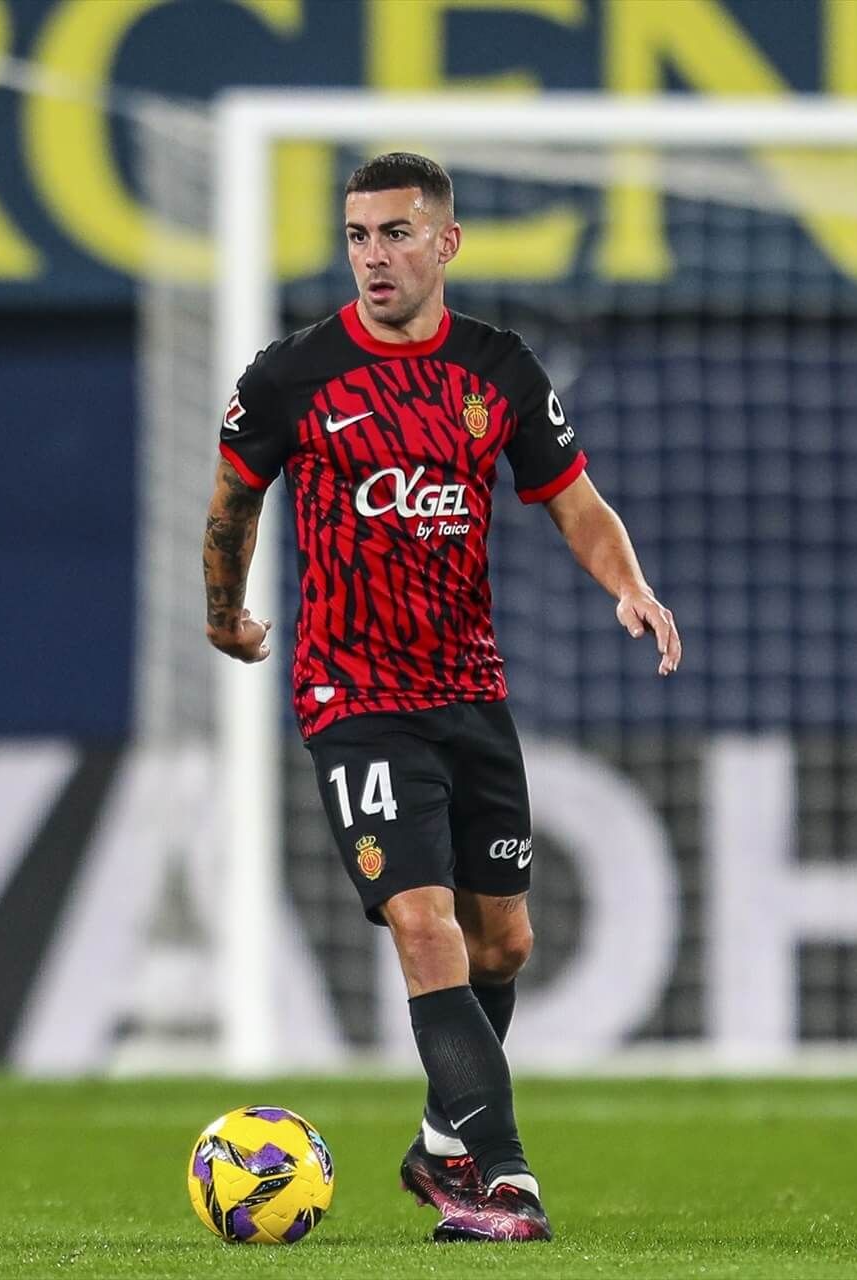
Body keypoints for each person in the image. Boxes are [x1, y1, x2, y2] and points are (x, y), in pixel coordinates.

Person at [201, 152, 681, 1243]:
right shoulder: (293, 374)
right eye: (358, 235)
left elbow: (576, 501)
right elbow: (233, 495)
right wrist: (224, 610)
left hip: (467, 688)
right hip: (352, 689)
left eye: (397, 234)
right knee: (424, 924)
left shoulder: (497, 371)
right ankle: (498, 1178)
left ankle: (442, 1140)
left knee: (500, 940)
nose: (374, 256)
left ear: (446, 244)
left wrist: (631, 583)